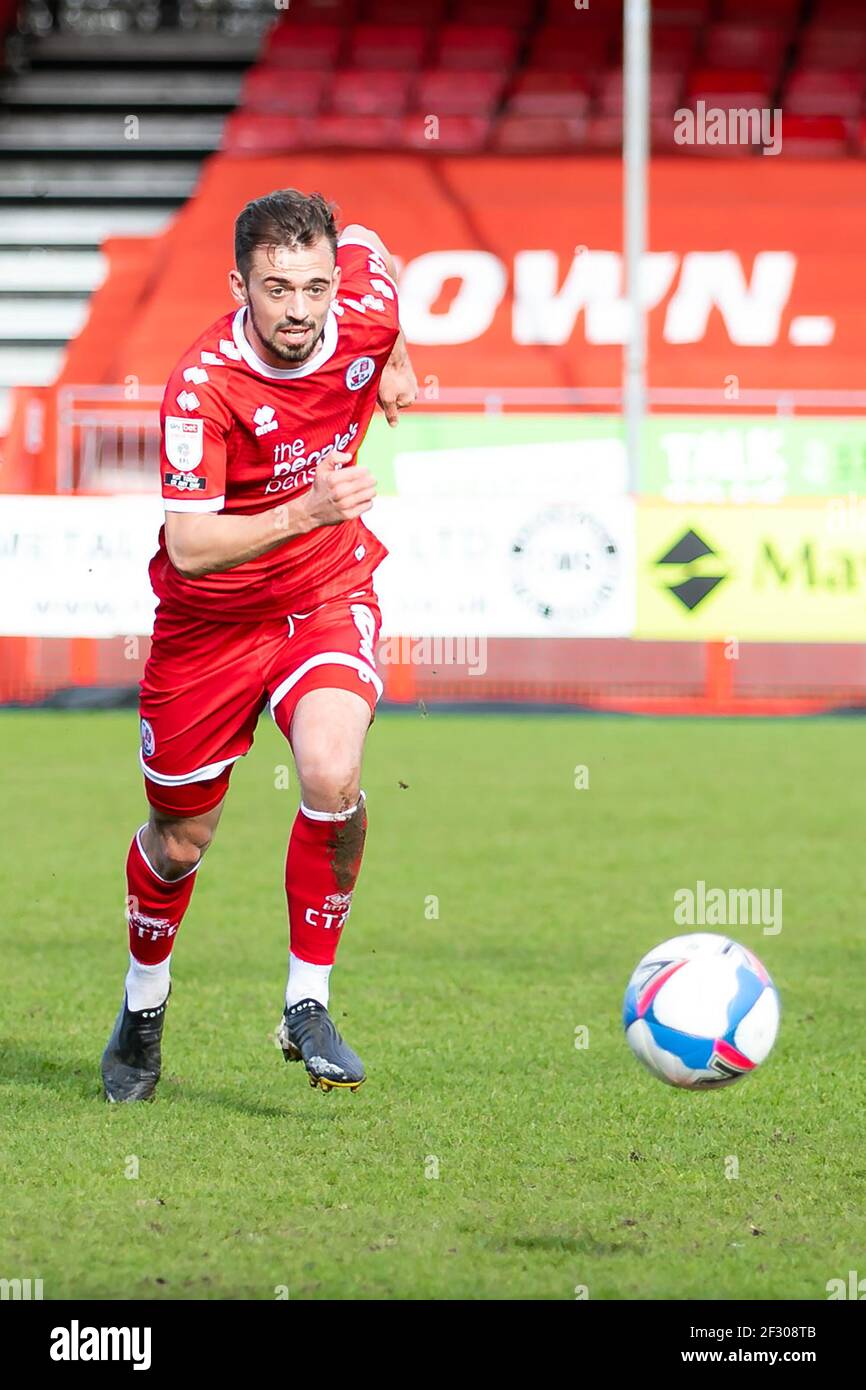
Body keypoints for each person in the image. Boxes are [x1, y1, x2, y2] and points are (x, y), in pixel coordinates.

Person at [101, 188, 417, 1101]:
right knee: (180, 839)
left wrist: (399, 355)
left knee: (331, 773)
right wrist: (309, 507)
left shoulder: (361, 306)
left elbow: (374, 245)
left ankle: (306, 1001)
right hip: (208, 629)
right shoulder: (202, 386)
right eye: (276, 289)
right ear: (238, 283)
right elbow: (190, 548)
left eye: (315, 288)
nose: (300, 310)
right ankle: (144, 1005)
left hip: (323, 594)